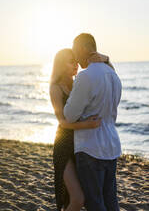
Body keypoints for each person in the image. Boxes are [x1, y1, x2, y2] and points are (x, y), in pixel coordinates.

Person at [64, 33, 122, 211]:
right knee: (111, 201)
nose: (74, 56)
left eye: (75, 50)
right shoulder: (113, 75)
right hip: (111, 146)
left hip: (90, 148)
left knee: (95, 203)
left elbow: (69, 115)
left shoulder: (85, 76)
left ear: (83, 48)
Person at [49, 48, 109, 211]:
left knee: (81, 198)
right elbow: (62, 122)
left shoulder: (78, 84)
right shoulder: (56, 88)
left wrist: (106, 59)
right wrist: (87, 125)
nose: (75, 65)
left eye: (76, 61)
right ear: (61, 65)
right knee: (78, 198)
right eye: (70, 61)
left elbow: (111, 79)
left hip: (81, 145)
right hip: (64, 145)